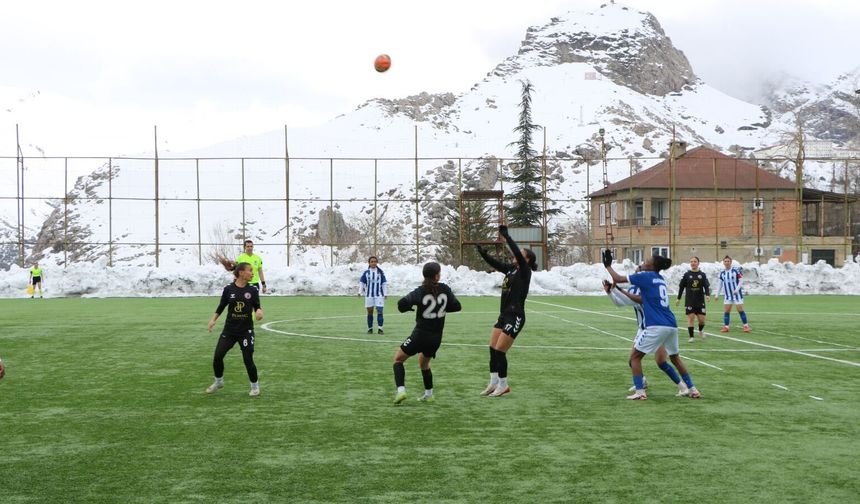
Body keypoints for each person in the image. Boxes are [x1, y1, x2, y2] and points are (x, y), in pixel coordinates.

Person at [603, 250, 701, 400]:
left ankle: (640, 391)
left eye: (647, 260)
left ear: (651, 265)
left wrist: (608, 266)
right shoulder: (659, 279)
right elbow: (641, 299)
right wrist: (618, 290)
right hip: (671, 324)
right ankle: (692, 388)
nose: (644, 261)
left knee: (635, 358)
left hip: (655, 325)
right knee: (675, 358)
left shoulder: (645, 276)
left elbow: (617, 278)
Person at [476, 224, 537, 397]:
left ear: (526, 261)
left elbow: (516, 253)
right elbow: (496, 263)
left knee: (500, 351)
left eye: (520, 255)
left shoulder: (525, 272)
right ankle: (493, 382)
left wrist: (507, 238)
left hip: (516, 316)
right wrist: (483, 254)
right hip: (504, 315)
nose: (514, 256)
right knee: (492, 348)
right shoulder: (511, 269)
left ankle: (503, 385)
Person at [392, 262, 462, 404]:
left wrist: (409, 307)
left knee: (398, 360)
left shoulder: (421, 290)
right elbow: (457, 306)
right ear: (436, 276)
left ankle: (401, 391)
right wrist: (440, 309)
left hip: (420, 335)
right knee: (424, 364)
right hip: (436, 338)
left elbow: (402, 304)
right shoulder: (445, 289)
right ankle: (429, 394)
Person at [205, 262, 264, 397]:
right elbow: (221, 306)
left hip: (246, 331)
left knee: (248, 359)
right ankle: (218, 381)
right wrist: (213, 320)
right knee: (218, 356)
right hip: (229, 331)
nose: (252, 273)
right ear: (241, 273)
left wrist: (259, 312)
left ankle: (255, 387)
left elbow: (257, 306)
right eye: (250, 271)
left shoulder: (253, 290)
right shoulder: (228, 289)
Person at [675, 256, 711, 342]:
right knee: (691, 319)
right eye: (691, 261)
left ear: (698, 263)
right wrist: (678, 298)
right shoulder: (687, 275)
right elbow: (681, 287)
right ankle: (691, 337)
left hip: (700, 300)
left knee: (702, 320)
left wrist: (707, 295)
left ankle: (701, 331)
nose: (693, 263)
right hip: (690, 300)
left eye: (695, 261)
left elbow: (706, 286)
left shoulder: (702, 275)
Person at [712, 255, 750, 333]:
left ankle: (746, 326)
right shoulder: (722, 273)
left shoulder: (735, 271)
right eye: (725, 261)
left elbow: (741, 280)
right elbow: (720, 284)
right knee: (726, 311)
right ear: (723, 262)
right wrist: (717, 295)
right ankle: (726, 327)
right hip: (728, 295)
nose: (727, 263)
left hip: (737, 295)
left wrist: (736, 290)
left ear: (731, 262)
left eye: (728, 261)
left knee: (740, 310)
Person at [359, 256, 388, 334]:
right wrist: (360, 292)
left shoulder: (380, 273)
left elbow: (384, 283)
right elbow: (362, 282)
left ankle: (380, 329)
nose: (373, 263)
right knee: (370, 312)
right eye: (372, 261)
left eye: (375, 261)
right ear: (369, 263)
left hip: (379, 295)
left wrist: (385, 293)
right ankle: (370, 328)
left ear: (377, 263)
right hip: (369, 295)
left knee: (380, 311)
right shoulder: (366, 273)